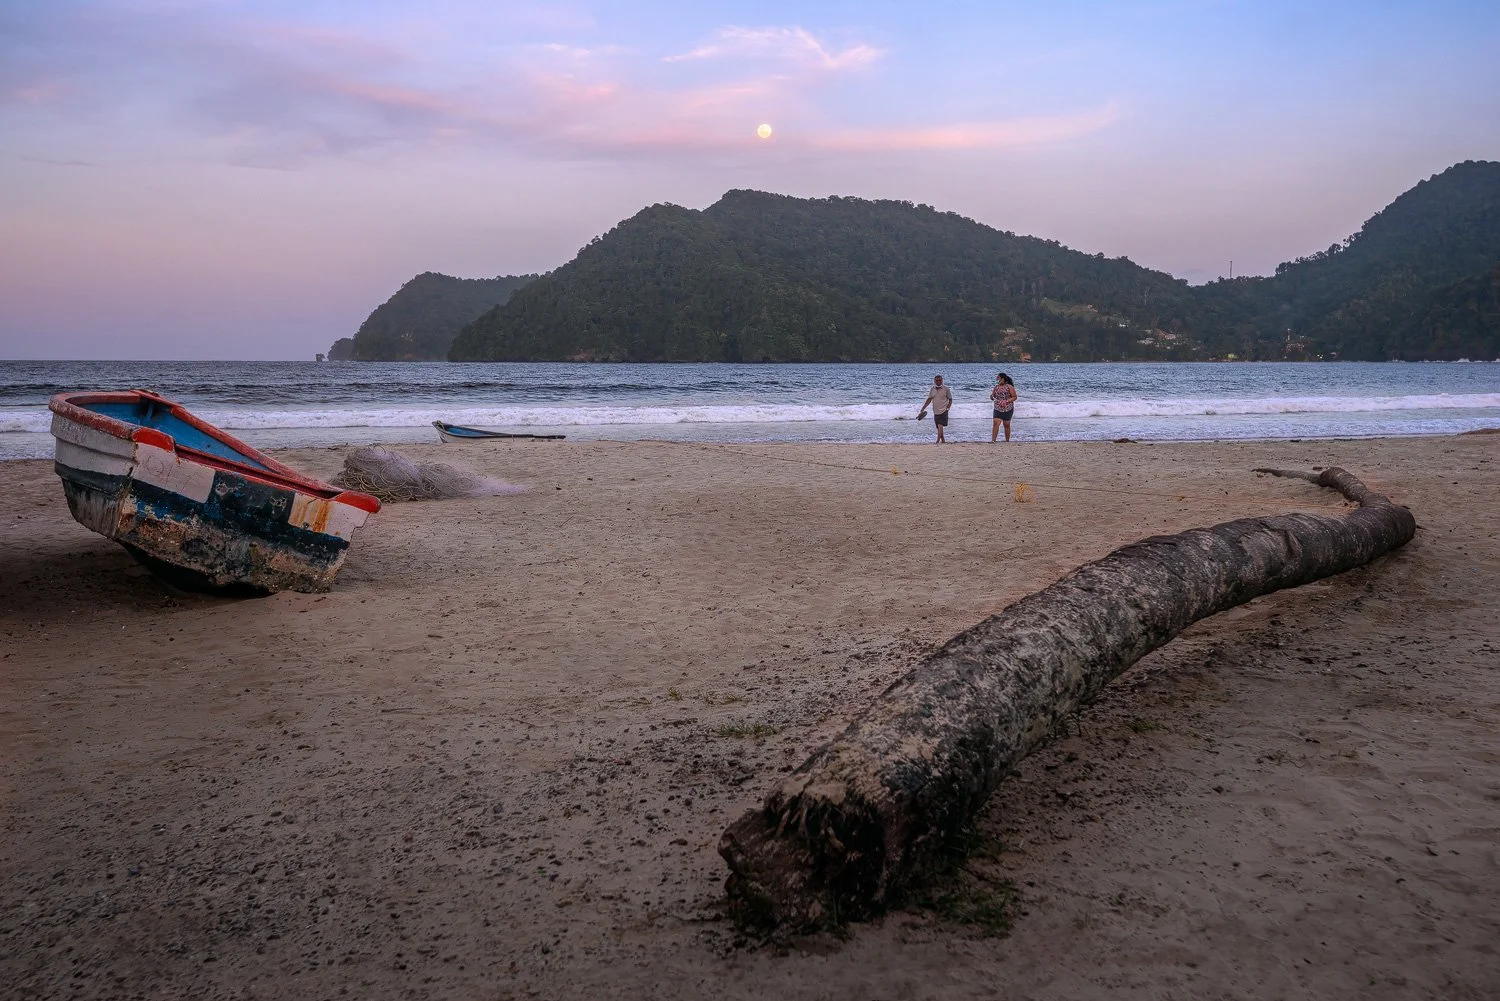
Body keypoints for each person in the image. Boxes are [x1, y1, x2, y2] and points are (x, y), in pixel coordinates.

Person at [917, 374, 953, 444]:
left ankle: (937, 441)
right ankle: (943, 441)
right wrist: (923, 408)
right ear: (934, 381)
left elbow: (950, 399)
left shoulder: (946, 389)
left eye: (940, 380)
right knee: (939, 427)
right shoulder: (932, 389)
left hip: (944, 410)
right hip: (935, 411)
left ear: (942, 380)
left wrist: (948, 407)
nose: (938, 381)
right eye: (937, 380)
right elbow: (929, 399)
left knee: (940, 425)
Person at [990, 372, 1017, 442]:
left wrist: (1006, 401)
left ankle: (1007, 441)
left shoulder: (1009, 387)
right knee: (996, 423)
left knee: (1006, 424)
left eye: (998, 378)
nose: (997, 379)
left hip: (1008, 408)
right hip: (997, 408)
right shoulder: (996, 387)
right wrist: (991, 397)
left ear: (1003, 379)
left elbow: (1014, 397)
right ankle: (993, 440)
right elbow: (992, 396)